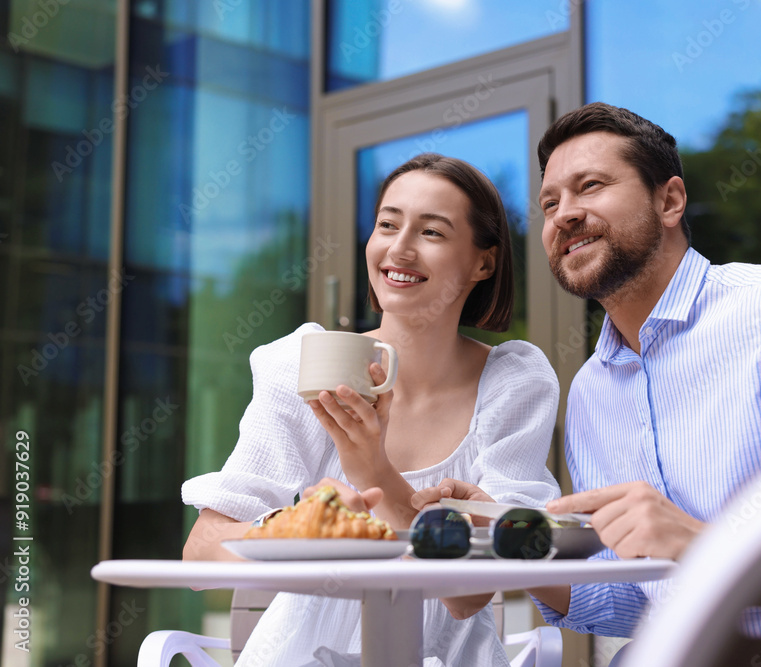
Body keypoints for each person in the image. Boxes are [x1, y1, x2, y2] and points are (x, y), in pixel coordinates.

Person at [416, 102, 761, 641]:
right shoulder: (591, 392)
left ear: (671, 201)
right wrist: (521, 546)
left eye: (591, 186)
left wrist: (709, 545)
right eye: (549, 203)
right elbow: (637, 599)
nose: (564, 214)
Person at [181, 153, 561, 667]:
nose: (398, 249)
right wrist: (300, 527)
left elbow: (467, 595)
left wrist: (374, 471)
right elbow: (203, 551)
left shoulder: (513, 382)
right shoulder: (307, 365)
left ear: (483, 262)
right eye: (387, 224)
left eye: (431, 232)